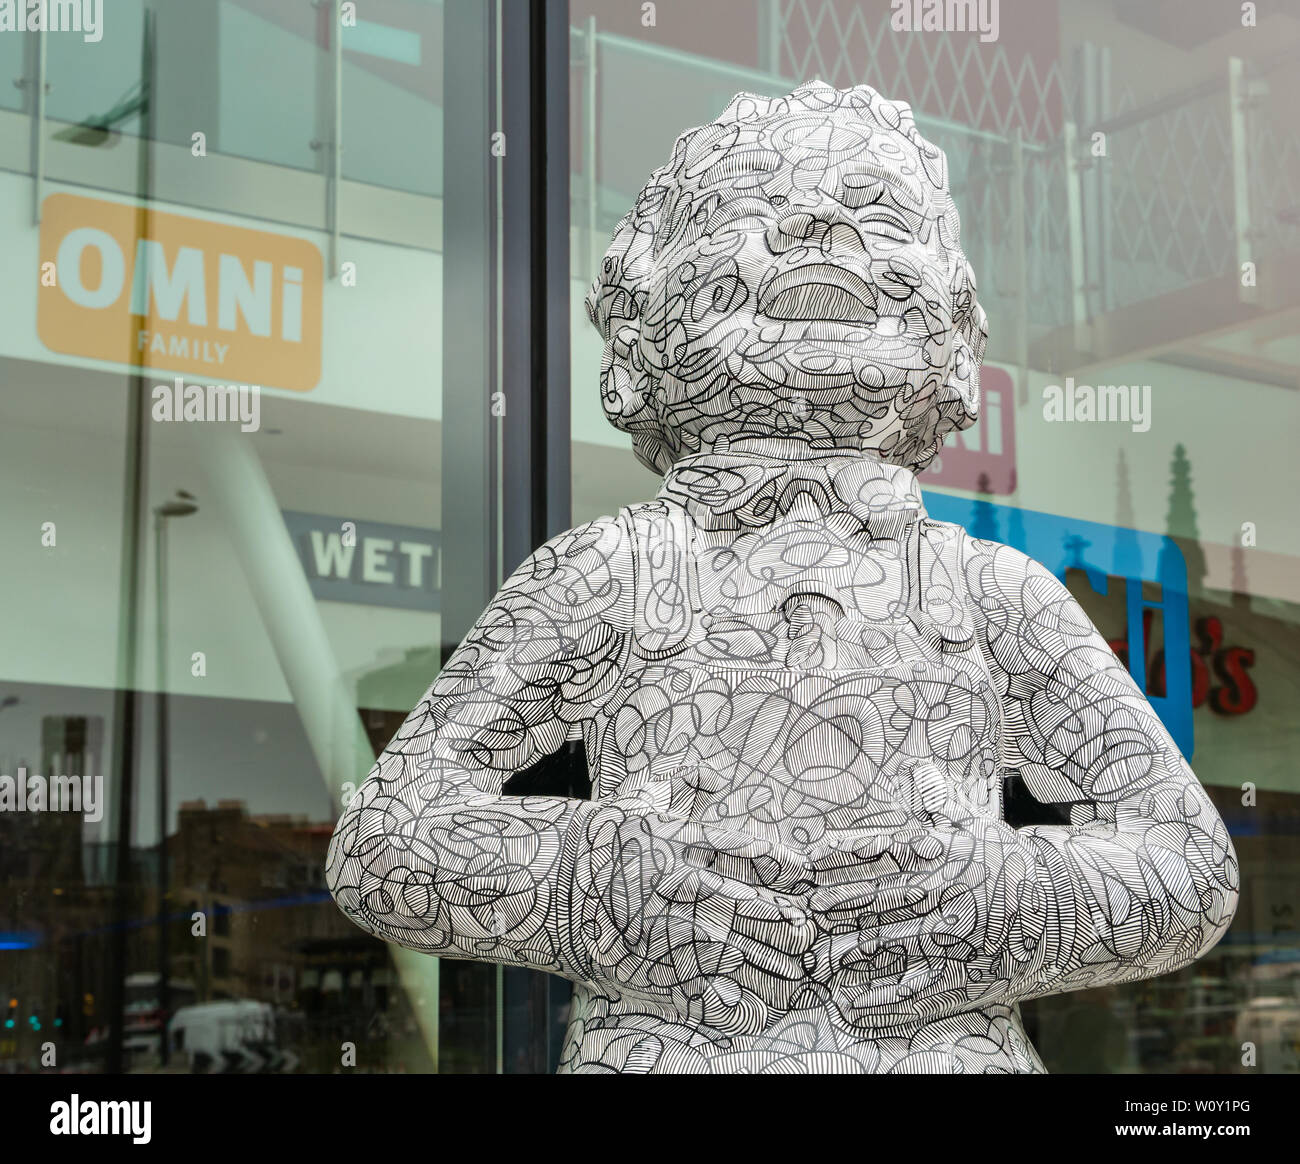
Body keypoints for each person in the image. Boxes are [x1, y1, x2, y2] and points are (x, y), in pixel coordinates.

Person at [326, 81, 1239, 1073]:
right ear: (636, 323)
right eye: (748, 207)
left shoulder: (995, 595)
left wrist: (1009, 901)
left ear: (956, 328)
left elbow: (1188, 865)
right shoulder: (608, 572)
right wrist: (590, 885)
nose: (820, 224)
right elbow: (385, 843)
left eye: (881, 214)